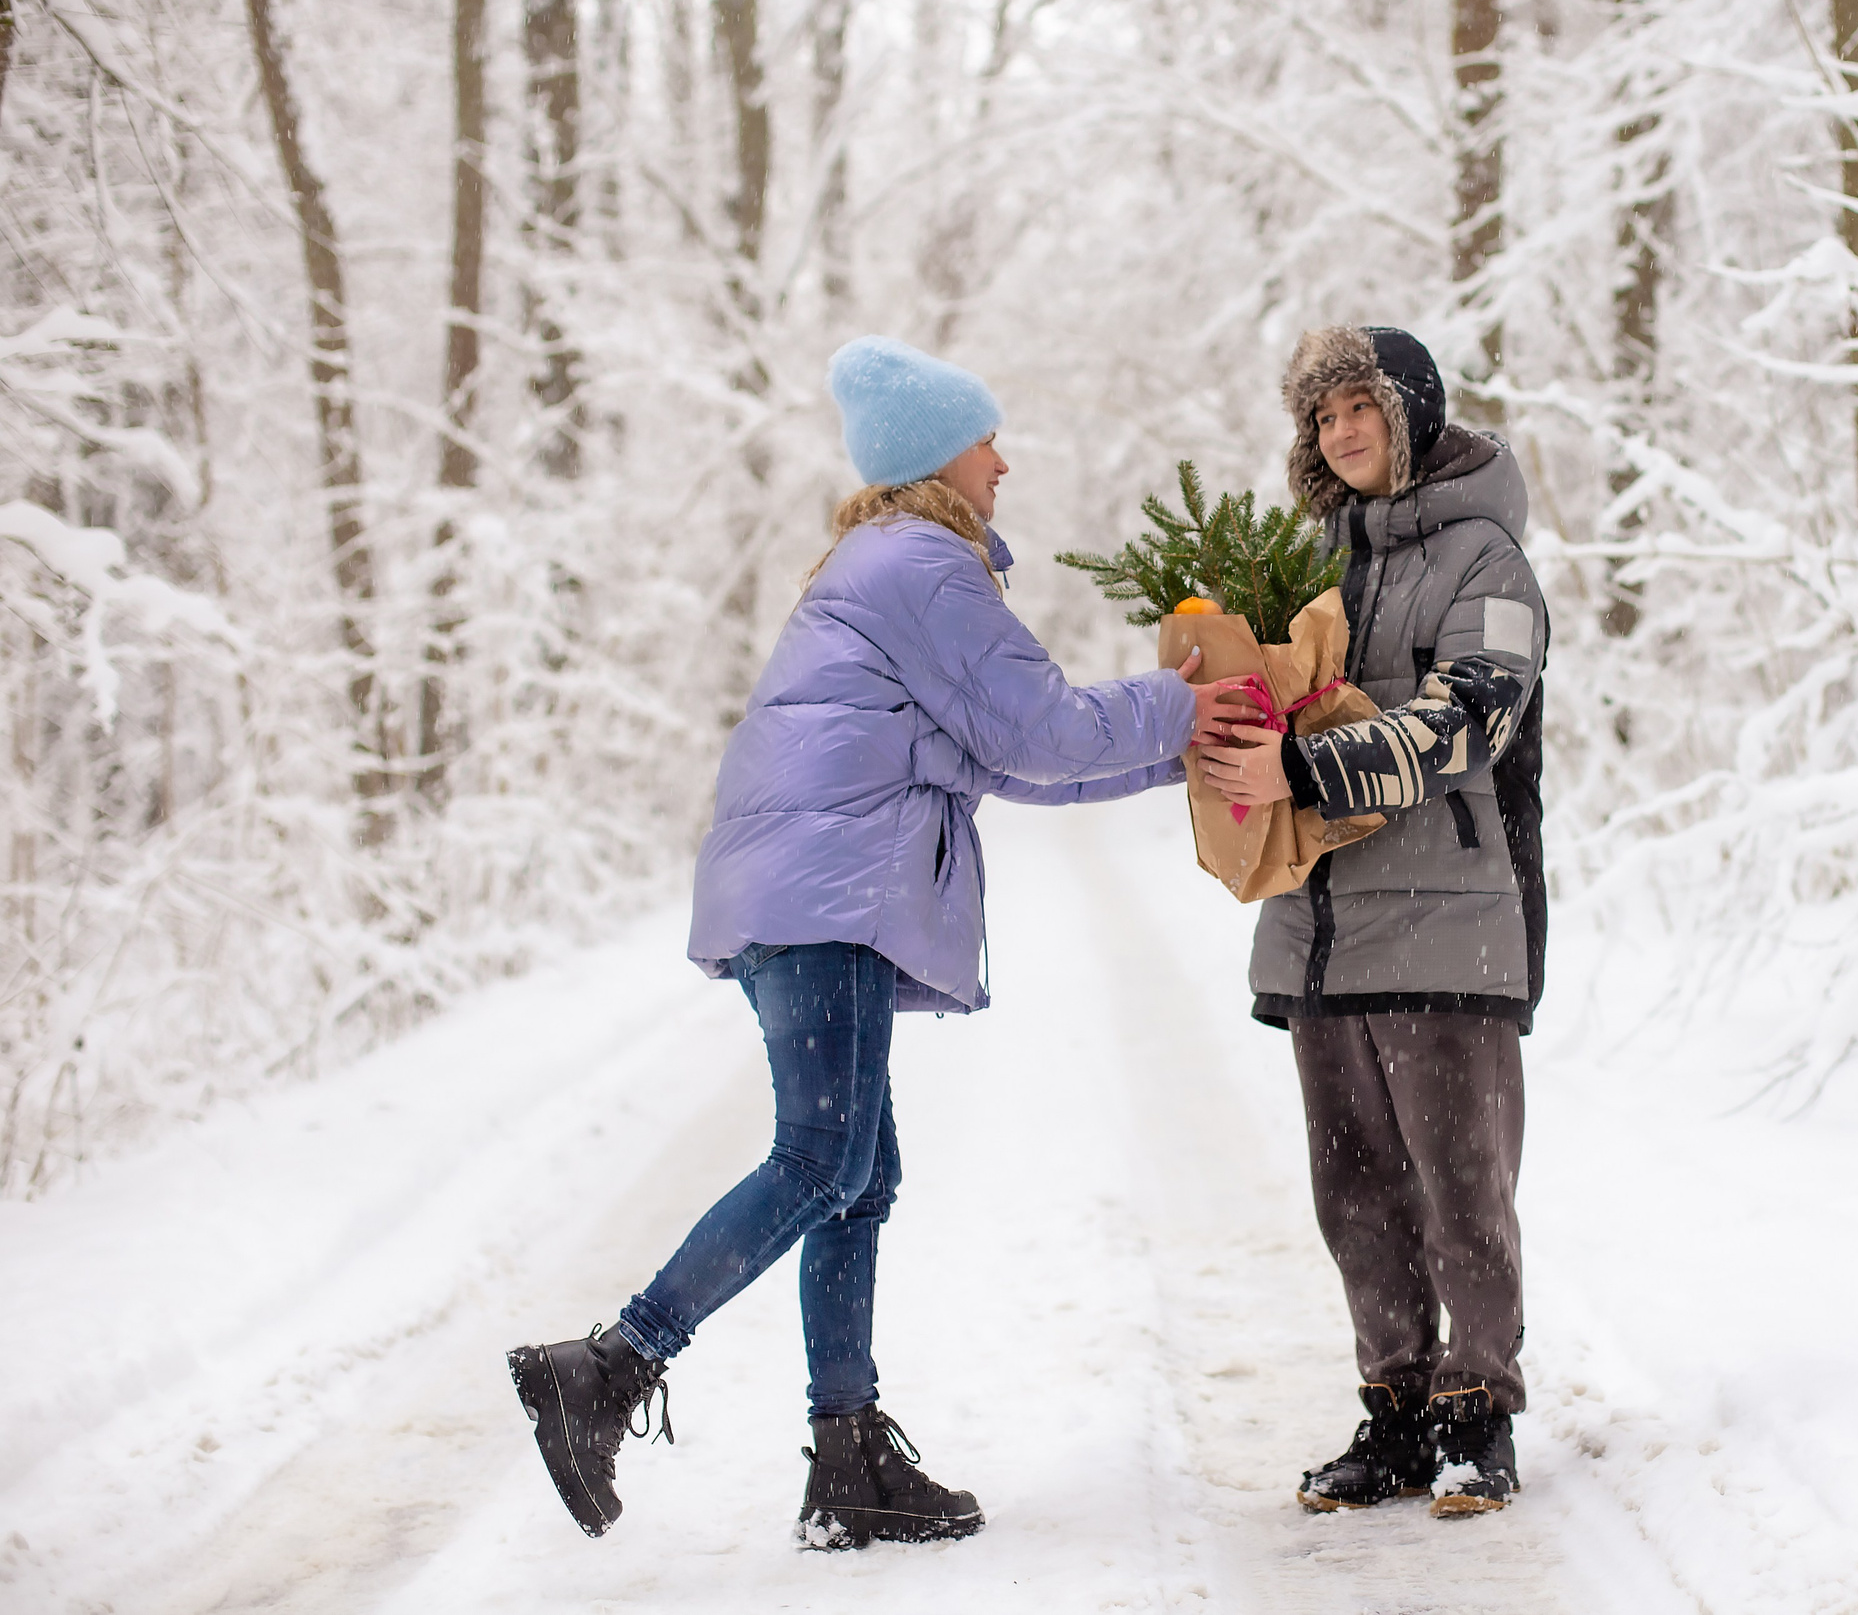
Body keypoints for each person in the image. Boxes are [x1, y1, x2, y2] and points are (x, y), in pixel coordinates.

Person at [506, 336, 1235, 1550]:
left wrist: (1175, 755)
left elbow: (1004, 758)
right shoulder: (921, 564)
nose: (1005, 461)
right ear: (936, 455)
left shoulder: (878, 563)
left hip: (799, 893)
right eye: (986, 438)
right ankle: (611, 1366)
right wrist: (1187, 701)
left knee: (855, 1174)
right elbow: (1043, 725)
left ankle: (845, 1457)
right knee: (821, 1158)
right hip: (824, 894)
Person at [1197, 325, 1548, 1519]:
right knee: (1352, 1191)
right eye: (1322, 417)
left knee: (1460, 1182)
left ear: (1411, 413)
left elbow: (1472, 719)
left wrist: (1304, 771)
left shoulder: (1485, 559)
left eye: (1360, 408)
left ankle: (1478, 1411)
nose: (1341, 432)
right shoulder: (1311, 567)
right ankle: (1395, 1407)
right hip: (1322, 922)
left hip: (1449, 916)